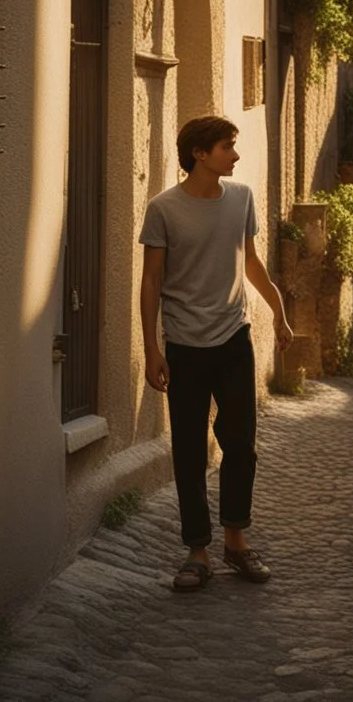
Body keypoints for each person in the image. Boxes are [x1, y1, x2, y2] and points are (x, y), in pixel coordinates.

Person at [139, 114, 293, 592]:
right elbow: (151, 281)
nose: (236, 154)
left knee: (241, 444)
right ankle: (197, 550)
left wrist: (279, 310)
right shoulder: (163, 209)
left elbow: (249, 260)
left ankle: (236, 541)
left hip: (233, 339)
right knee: (188, 449)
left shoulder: (241, 198)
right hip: (183, 344)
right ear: (200, 154)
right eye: (228, 146)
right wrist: (151, 348)